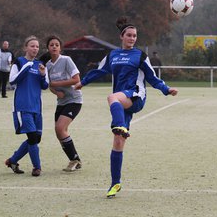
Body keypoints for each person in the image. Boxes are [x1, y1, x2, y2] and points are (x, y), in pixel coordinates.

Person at [74, 17, 178, 198]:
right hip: (121, 102)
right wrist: (82, 82)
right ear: (122, 37)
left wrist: (166, 89)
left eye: (135, 36)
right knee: (118, 141)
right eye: (129, 35)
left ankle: (119, 125)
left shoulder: (140, 56)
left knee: (112, 97)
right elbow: (99, 71)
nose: (132, 38)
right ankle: (115, 184)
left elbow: (152, 78)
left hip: (135, 96)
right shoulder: (112, 55)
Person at [5, 35, 49, 177]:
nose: (35, 48)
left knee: (36, 138)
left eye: (37, 46)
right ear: (26, 47)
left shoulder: (41, 65)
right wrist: (27, 66)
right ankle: (37, 167)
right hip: (23, 107)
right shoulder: (19, 62)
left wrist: (42, 74)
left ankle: (12, 160)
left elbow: (45, 86)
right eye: (32, 46)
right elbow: (12, 81)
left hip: (37, 107)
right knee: (32, 138)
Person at [45, 35, 83, 172]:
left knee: (60, 128)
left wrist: (57, 84)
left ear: (60, 48)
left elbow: (76, 79)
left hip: (74, 100)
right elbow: (49, 85)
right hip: (61, 102)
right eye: (51, 45)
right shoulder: (48, 65)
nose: (54, 46)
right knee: (59, 131)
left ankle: (74, 160)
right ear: (48, 48)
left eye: (57, 44)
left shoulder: (66, 60)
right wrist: (56, 92)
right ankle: (75, 159)